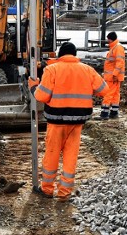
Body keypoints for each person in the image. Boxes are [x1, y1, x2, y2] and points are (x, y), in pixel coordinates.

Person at [28, 42, 109, 200]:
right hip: (77, 121)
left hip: (56, 120)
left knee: (52, 154)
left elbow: (41, 96)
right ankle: (64, 193)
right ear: (75, 54)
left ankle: (47, 189)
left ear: (60, 54)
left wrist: (33, 87)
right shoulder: (87, 69)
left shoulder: (52, 69)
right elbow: (104, 90)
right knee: (71, 156)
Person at [96, 31, 125, 120]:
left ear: (110, 39)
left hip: (112, 76)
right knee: (115, 94)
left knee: (108, 93)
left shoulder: (117, 47)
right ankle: (114, 112)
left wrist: (115, 74)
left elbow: (120, 62)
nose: (107, 41)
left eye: (108, 39)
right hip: (115, 76)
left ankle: (104, 113)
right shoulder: (116, 47)